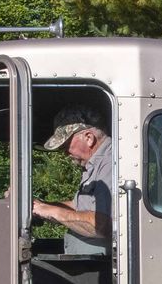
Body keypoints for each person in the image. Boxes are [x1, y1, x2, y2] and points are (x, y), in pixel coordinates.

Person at [34, 106, 113, 254]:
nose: (64, 153)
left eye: (66, 146)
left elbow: (101, 225)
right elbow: (78, 207)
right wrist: (39, 206)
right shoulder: (93, 164)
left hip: (101, 268)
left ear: (88, 138)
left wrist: (51, 211)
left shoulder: (110, 163)